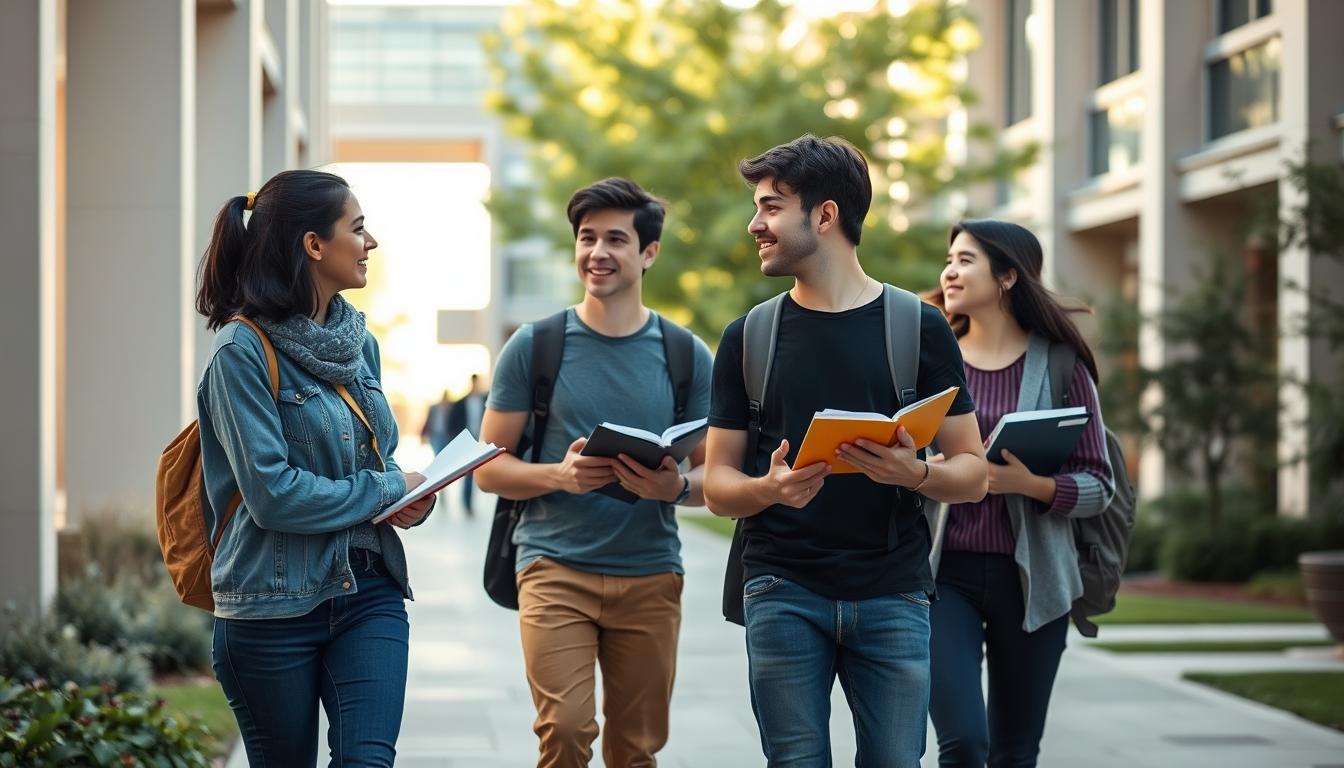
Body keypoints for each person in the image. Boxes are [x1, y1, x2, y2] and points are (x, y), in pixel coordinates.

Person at [702, 135, 988, 767]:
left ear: (824, 216)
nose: (756, 224)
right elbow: (717, 485)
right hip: (780, 586)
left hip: (893, 592)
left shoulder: (919, 327)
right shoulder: (748, 337)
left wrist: (912, 472)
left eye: (772, 207)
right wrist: (767, 490)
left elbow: (972, 474)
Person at [195, 169, 436, 767]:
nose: (370, 242)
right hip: (271, 605)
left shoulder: (360, 344)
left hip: (369, 586)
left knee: (368, 761)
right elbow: (273, 494)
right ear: (313, 245)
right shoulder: (240, 353)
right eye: (357, 229)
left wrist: (408, 497)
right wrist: (384, 488)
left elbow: (372, 461)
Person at [474, 177, 714, 768]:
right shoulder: (535, 346)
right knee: (565, 729)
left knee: (635, 749)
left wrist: (675, 487)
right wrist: (559, 475)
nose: (597, 252)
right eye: (586, 238)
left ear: (649, 252)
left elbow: (716, 479)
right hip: (554, 567)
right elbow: (486, 467)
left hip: (650, 574)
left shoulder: (686, 355)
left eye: (615, 239)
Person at [925, 220, 1115, 767]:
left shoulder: (1061, 366)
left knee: (1014, 752)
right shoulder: (936, 360)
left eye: (965, 260)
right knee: (963, 741)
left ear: (1007, 275)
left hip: (1033, 579)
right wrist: (928, 469)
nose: (949, 271)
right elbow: (902, 460)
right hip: (944, 576)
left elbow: (1098, 484)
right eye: (949, 258)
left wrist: (1026, 484)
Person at [446, 373, 488, 514]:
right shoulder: (461, 403)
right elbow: (452, 423)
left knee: (477, 473)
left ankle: (469, 502)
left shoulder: (486, 401)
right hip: (467, 442)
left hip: (481, 441)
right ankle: (467, 503)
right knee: (469, 473)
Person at [421, 390, 453, 455]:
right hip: (435, 435)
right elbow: (428, 420)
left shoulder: (451, 408)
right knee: (437, 453)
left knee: (445, 453)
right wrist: (423, 434)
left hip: (446, 435)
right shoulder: (434, 408)